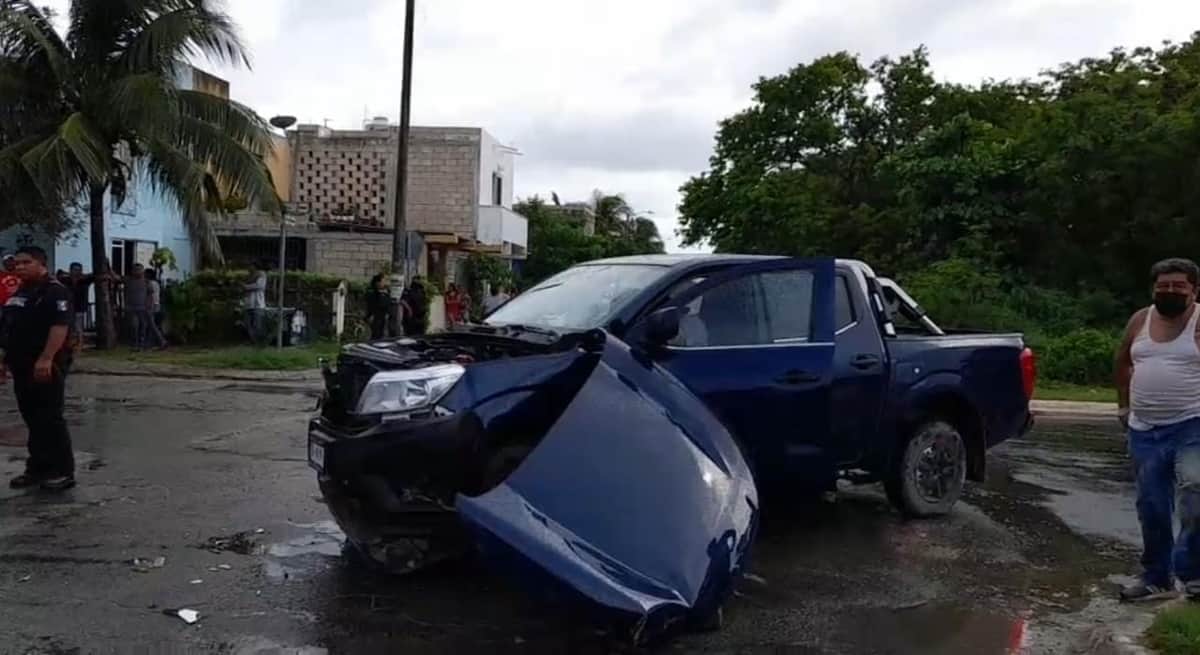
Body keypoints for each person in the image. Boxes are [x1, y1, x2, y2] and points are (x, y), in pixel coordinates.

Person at [1116, 257, 1200, 602]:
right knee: (1151, 506)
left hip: (1192, 423)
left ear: (1194, 290)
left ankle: (1192, 575)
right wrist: (1122, 405)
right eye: (1163, 286)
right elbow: (1123, 361)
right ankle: (1156, 578)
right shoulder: (1140, 319)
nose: (1169, 292)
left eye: (1178, 286)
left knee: (1195, 497)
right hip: (1144, 429)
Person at [1, 246, 76, 491]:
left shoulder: (54, 291)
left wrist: (46, 358)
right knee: (32, 418)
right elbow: (9, 327)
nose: (19, 267)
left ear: (41, 264)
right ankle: (38, 468)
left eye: (26, 262)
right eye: (17, 263)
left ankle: (63, 471)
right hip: (20, 364)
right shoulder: (20, 291)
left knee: (50, 417)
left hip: (46, 364)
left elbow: (59, 327)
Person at [58, 263, 94, 353]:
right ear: (70, 270)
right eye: (74, 270)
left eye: (78, 270)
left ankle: (79, 345)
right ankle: (67, 344)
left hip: (79, 307)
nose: (76, 272)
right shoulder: (65, 280)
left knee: (78, 327)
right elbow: (58, 274)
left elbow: (94, 275)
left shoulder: (85, 280)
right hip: (67, 306)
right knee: (66, 326)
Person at [244, 262, 268, 345]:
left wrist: (246, 287)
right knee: (248, 324)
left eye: (250, 266)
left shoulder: (261, 275)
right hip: (248, 303)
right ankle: (252, 341)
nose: (249, 268)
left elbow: (259, 286)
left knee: (257, 325)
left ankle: (258, 342)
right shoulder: (248, 276)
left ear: (254, 266)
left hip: (258, 303)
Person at [144, 268, 167, 348]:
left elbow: (150, 295)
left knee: (152, 324)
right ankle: (151, 342)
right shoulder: (156, 283)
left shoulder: (149, 283)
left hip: (151, 305)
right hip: (157, 304)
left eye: (145, 274)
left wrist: (148, 305)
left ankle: (162, 341)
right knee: (154, 325)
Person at [365, 274, 391, 340]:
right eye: (382, 281)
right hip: (375, 316)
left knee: (381, 335)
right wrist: (371, 315)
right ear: (377, 282)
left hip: (383, 316)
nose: (384, 283)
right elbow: (372, 304)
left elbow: (387, 303)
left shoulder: (385, 291)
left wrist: (387, 313)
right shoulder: (372, 291)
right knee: (375, 334)